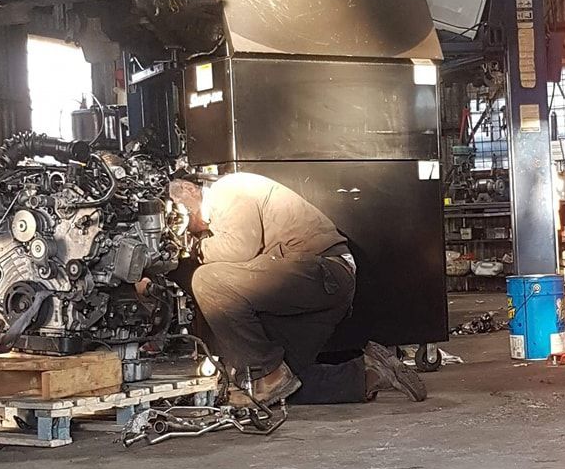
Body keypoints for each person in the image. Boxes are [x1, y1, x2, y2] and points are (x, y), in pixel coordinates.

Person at [168, 172, 425, 408]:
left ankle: (268, 375)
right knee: (288, 384)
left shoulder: (228, 190)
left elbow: (239, 248)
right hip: (322, 285)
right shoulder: (227, 201)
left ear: (191, 189)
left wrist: (194, 251)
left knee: (207, 279)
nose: (187, 224)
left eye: (185, 214)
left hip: (322, 272)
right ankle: (370, 374)